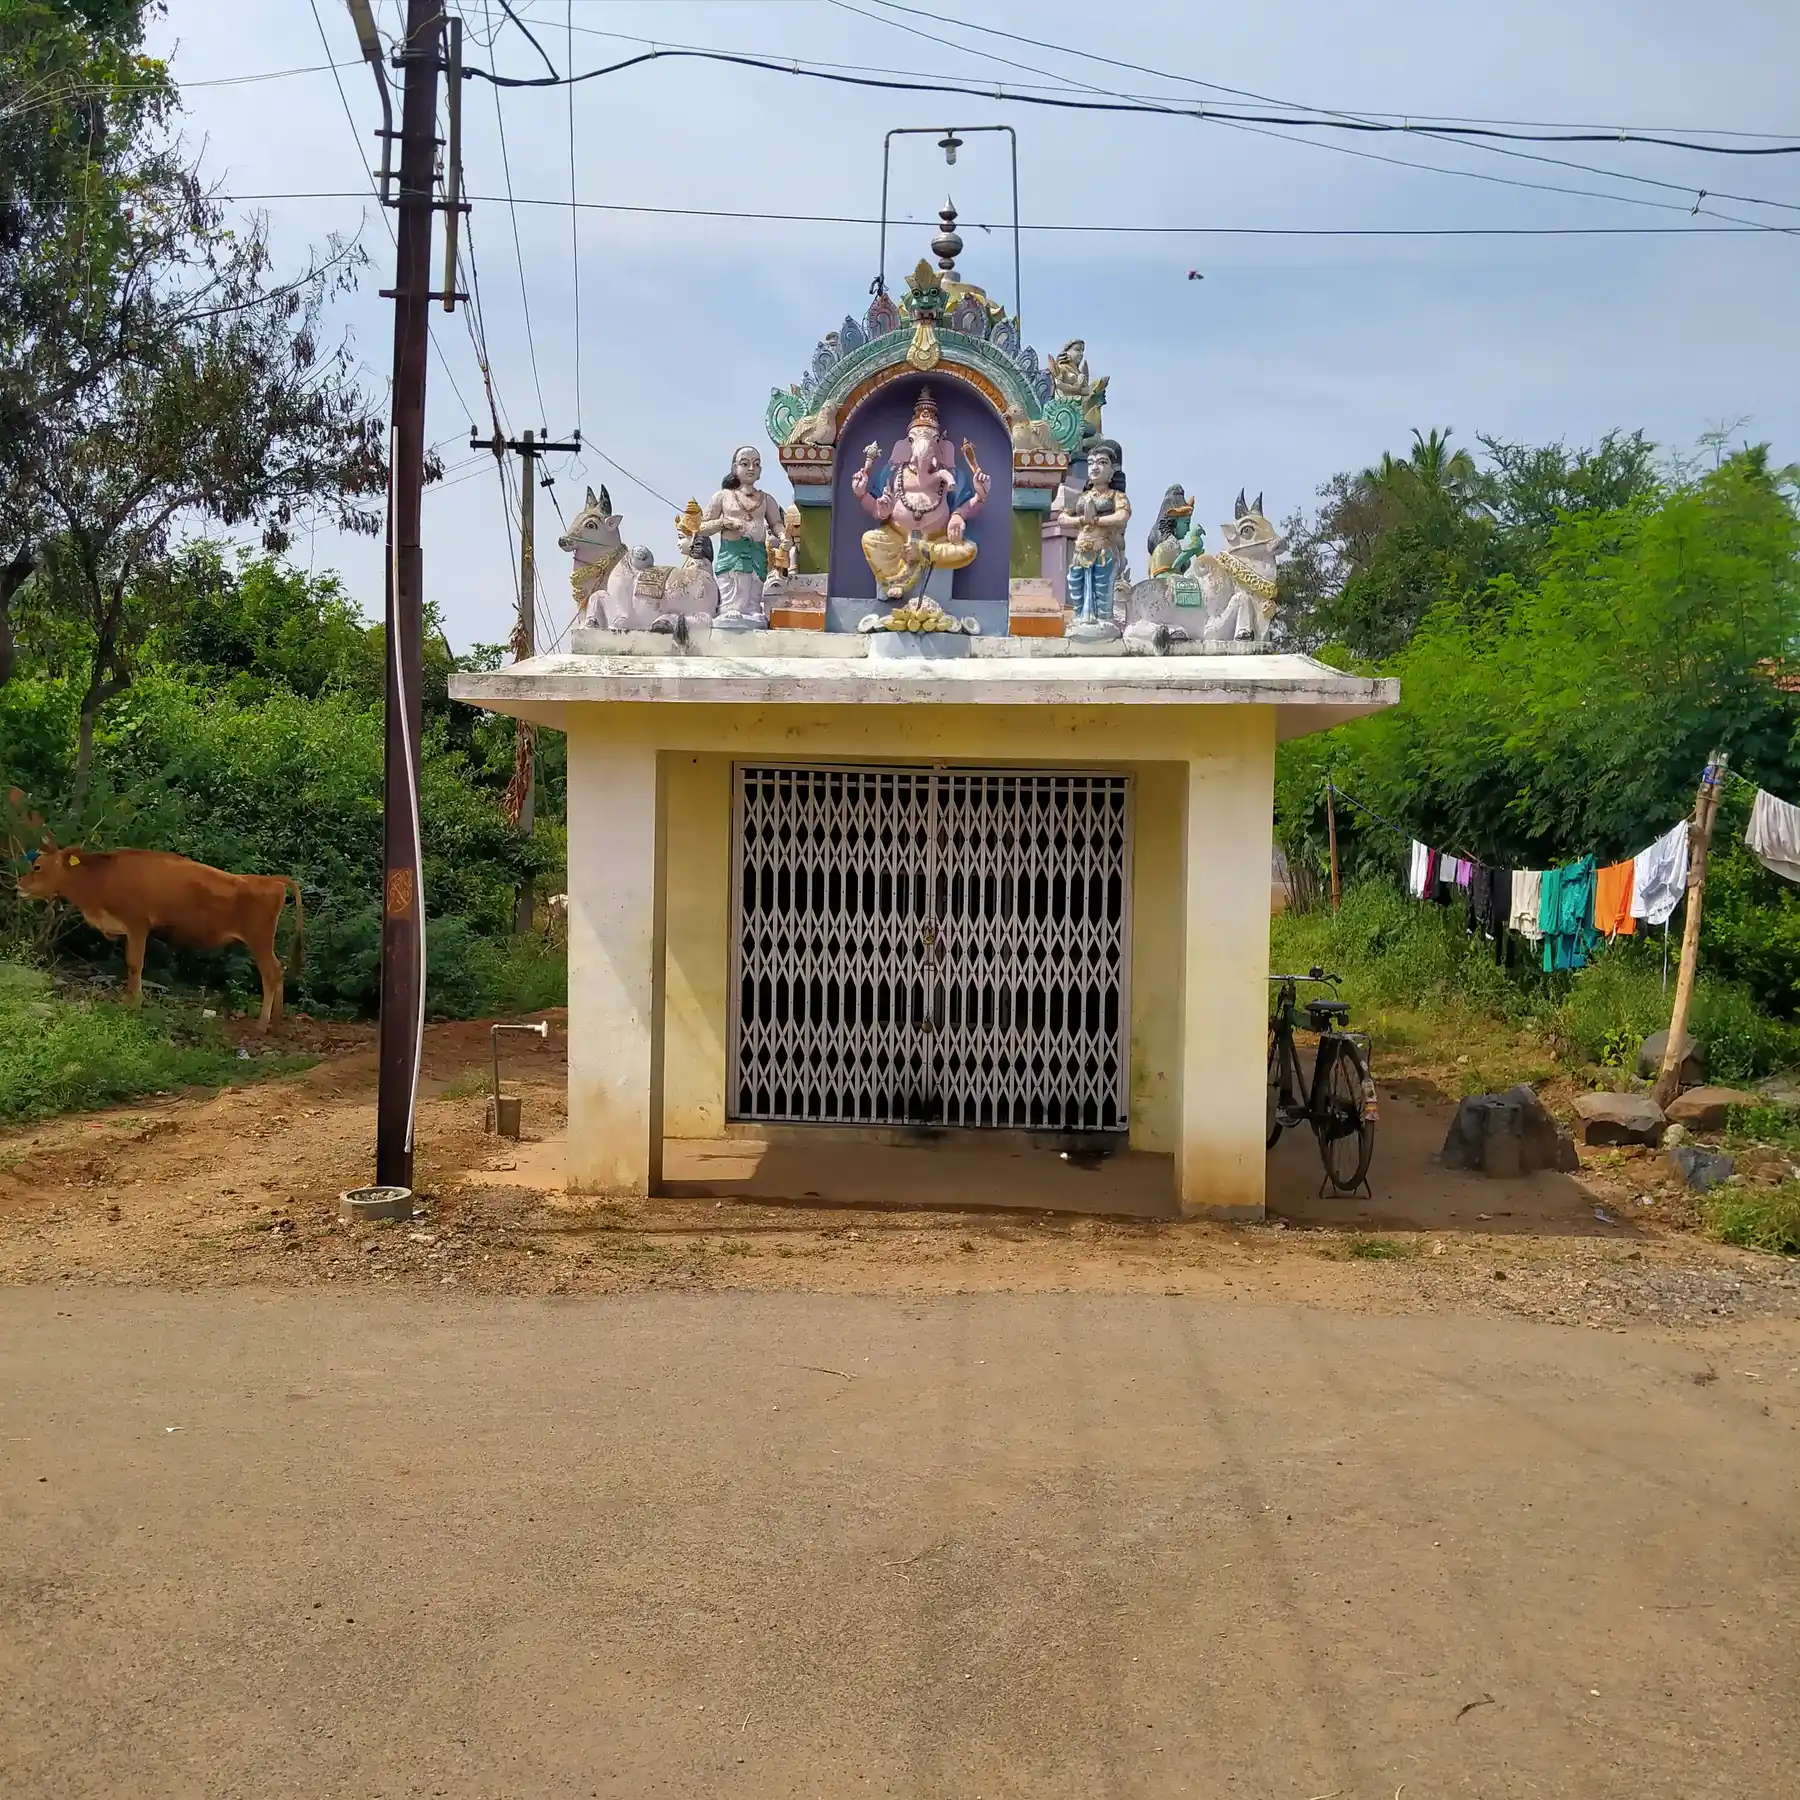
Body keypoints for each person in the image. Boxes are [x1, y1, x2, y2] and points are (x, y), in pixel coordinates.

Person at [851, 387, 989, 600]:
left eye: (931, 439)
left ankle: (924, 552)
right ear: (908, 443)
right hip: (897, 538)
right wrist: (864, 496)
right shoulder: (892, 473)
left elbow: (966, 504)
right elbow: (877, 511)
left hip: (936, 541)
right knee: (870, 539)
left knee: (968, 549)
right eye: (916, 439)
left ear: (938, 444)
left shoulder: (952, 475)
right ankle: (891, 581)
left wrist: (967, 508)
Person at [694, 446, 787, 627]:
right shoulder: (723, 496)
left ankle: (752, 610)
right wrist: (723, 524)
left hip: (757, 555)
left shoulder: (766, 499)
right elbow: (702, 527)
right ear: (735, 468)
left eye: (756, 464)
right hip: (732, 554)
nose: (751, 468)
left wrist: (783, 536)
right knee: (733, 601)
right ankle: (729, 609)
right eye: (745, 464)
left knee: (753, 597)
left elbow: (776, 523)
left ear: (760, 470)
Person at [1056, 437, 1131, 631]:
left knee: (1102, 588)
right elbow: (1062, 518)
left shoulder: (1115, 496)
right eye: (1090, 463)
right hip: (1081, 551)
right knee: (1076, 585)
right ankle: (1081, 617)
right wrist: (1081, 520)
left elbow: (1122, 516)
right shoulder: (1081, 497)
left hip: (1104, 549)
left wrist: (1096, 520)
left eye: (1102, 463)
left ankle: (1104, 620)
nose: (1094, 468)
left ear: (1112, 470)